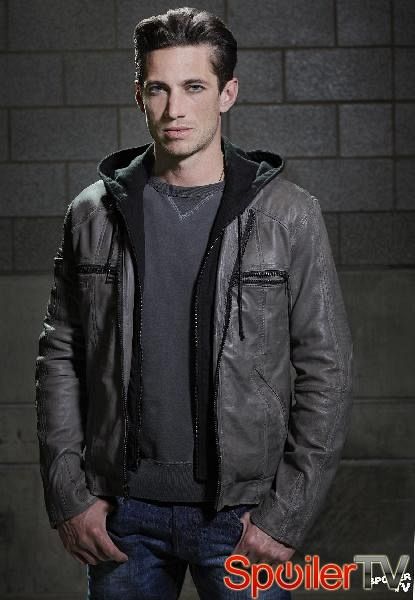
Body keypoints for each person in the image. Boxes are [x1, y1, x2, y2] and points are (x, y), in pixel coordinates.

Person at [35, 6, 353, 599]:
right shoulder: (92, 214)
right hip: (123, 513)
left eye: (194, 87)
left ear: (227, 93)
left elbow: (326, 370)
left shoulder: (289, 215)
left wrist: (286, 515)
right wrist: (68, 493)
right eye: (158, 88)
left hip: (241, 515)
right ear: (139, 95)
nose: (174, 109)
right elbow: (61, 356)